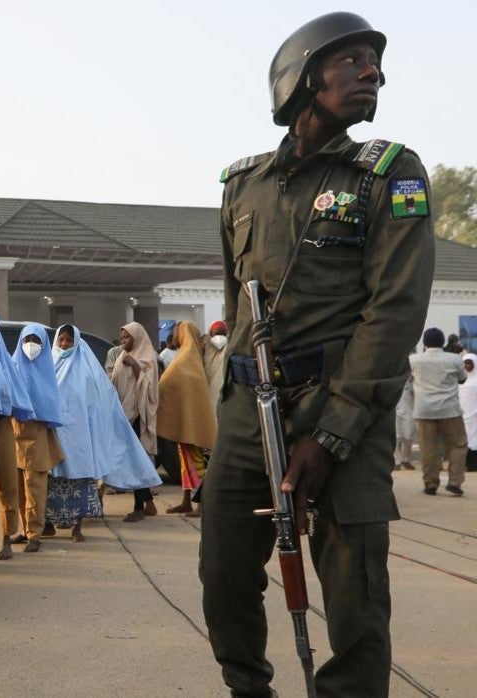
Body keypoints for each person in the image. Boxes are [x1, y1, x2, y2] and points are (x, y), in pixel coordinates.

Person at [201, 13, 435, 696]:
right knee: (222, 578)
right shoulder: (242, 185)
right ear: (303, 76)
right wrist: (232, 405)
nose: (373, 74)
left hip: (344, 413)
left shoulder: (389, 174)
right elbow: (239, 305)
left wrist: (332, 434)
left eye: (376, 66)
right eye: (354, 61)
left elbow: (394, 311)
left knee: (356, 604)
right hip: (250, 413)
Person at [50, 325, 161, 541]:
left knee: (123, 459)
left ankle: (139, 505)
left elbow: (100, 396)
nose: (64, 345)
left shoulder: (87, 368)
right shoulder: (51, 364)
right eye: (61, 340)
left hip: (116, 421)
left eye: (68, 341)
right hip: (61, 433)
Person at [9, 324, 65, 552]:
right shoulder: (13, 367)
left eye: (36, 340)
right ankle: (24, 529)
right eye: (27, 339)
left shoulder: (47, 372)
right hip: (13, 435)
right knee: (17, 489)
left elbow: (50, 407)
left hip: (37, 436)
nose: (30, 345)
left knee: (35, 488)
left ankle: (35, 534)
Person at [0, 310, 34, 560]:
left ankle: (6, 538)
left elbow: (18, 398)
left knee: (7, 486)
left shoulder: (6, 363)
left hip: (3, 427)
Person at [158, 321, 218, 516]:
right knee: (186, 463)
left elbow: (170, 381)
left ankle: (202, 505)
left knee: (197, 464)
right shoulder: (188, 355)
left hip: (194, 423)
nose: (173, 335)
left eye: (176, 332)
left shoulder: (186, 358)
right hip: (187, 420)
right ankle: (186, 501)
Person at [111, 321, 159, 522]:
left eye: (127, 337)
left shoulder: (147, 358)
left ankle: (139, 507)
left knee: (136, 461)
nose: (124, 341)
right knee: (133, 461)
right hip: (124, 414)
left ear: (137, 337)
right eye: (122, 338)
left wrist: (136, 366)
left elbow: (148, 388)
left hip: (139, 416)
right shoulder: (122, 355)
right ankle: (149, 503)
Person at [409, 328, 466, 496]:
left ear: (425, 343)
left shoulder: (413, 360)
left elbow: (408, 380)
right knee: (457, 445)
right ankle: (455, 482)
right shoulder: (455, 359)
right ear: (443, 342)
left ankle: (430, 483)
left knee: (428, 448)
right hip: (450, 410)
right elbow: (462, 380)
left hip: (424, 410)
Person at [203, 320, 230, 411]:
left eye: (222, 333)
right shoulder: (204, 351)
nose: (219, 337)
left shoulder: (230, 350)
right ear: (210, 334)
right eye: (217, 333)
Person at [394, 377, 416, 471]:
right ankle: (396, 462)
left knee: (408, 436)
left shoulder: (411, 381)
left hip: (409, 412)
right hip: (395, 411)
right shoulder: (393, 380)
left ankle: (405, 459)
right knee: (396, 437)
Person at [461, 354, 477, 472]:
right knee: (464, 439)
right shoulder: (460, 380)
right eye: (465, 363)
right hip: (462, 415)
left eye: (470, 363)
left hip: (475, 415)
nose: (467, 366)